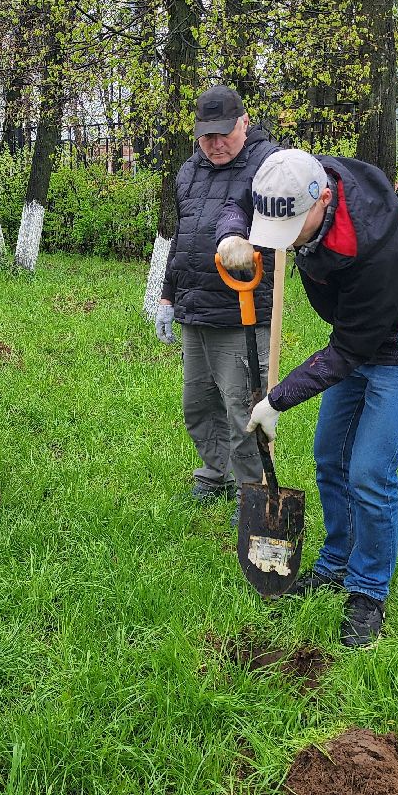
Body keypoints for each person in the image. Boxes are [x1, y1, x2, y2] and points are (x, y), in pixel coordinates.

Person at [217, 149, 398, 648]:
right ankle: (336, 562)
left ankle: (367, 590)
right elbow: (241, 195)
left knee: (369, 471)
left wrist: (277, 400)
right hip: (355, 334)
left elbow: (349, 351)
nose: (286, 242)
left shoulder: (377, 244)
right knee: (329, 455)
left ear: (324, 200)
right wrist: (233, 234)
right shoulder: (289, 177)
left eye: (293, 229)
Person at [156, 85, 278, 505]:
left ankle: (252, 494)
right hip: (195, 309)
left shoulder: (268, 166)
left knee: (244, 410)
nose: (215, 143)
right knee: (198, 404)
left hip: (241, 313)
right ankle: (214, 475)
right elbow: (182, 240)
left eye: (224, 133)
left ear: (245, 122)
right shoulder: (189, 171)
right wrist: (168, 297)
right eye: (206, 135)